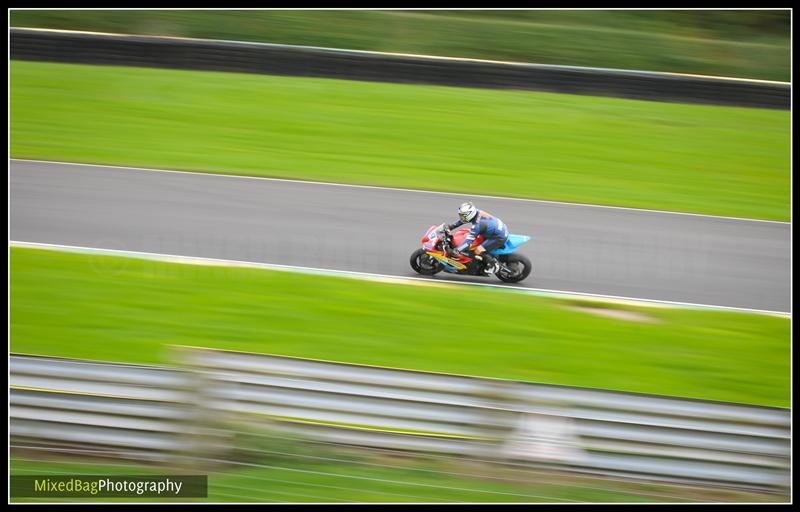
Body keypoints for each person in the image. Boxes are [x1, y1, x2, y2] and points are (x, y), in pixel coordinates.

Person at [445, 202, 508, 274]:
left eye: (462, 215)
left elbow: (468, 242)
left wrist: (457, 250)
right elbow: (463, 220)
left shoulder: (477, 226)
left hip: (497, 237)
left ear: (469, 214)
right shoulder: (476, 212)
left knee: (477, 250)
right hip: (496, 229)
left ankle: (493, 265)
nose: (461, 217)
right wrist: (451, 227)